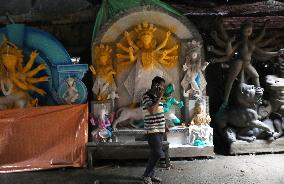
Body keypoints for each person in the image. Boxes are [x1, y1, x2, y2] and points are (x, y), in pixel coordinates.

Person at [142, 76, 166, 184]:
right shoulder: (146, 96)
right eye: (161, 87)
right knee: (157, 153)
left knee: (154, 153)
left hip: (160, 129)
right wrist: (159, 98)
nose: (162, 90)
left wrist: (165, 125)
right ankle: (146, 175)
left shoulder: (157, 97)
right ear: (155, 85)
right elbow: (152, 110)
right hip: (152, 130)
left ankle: (151, 175)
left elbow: (159, 112)